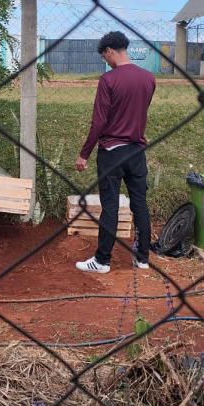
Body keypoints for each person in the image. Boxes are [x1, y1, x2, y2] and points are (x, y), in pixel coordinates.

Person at [74, 31, 155, 274]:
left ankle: (102, 261)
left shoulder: (108, 80)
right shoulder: (149, 78)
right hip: (137, 152)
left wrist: (84, 154)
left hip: (111, 151)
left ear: (110, 50)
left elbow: (99, 122)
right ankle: (142, 258)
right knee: (139, 203)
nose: (105, 61)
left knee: (110, 205)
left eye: (104, 56)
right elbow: (140, 111)